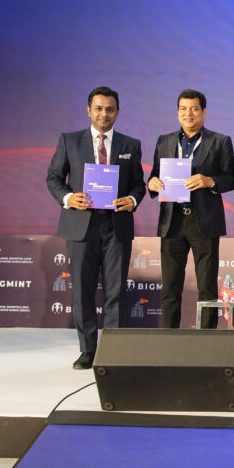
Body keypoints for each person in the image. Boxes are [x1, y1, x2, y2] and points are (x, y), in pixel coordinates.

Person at [45, 86, 145, 369]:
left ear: (117, 112)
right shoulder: (70, 141)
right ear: (88, 110)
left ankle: (113, 351)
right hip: (81, 225)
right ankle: (87, 350)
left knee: (116, 292)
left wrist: (132, 199)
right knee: (82, 291)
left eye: (110, 109)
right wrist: (68, 198)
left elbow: (138, 184)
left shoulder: (130, 145)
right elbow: (53, 177)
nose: (104, 114)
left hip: (116, 226)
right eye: (99, 108)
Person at [147, 90, 234, 330]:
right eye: (183, 109)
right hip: (172, 221)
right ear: (178, 112)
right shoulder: (164, 141)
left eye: (194, 109)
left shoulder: (220, 141)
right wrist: (151, 184)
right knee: (170, 288)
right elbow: (154, 176)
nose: (188, 114)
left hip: (203, 221)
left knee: (207, 287)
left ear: (204, 112)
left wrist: (210, 181)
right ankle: (168, 339)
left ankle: (206, 339)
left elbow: (230, 179)